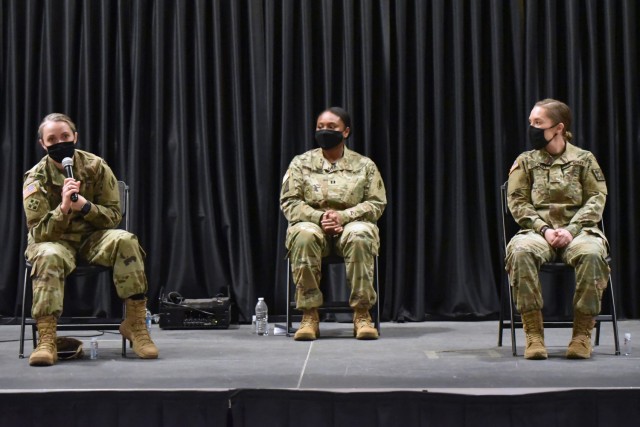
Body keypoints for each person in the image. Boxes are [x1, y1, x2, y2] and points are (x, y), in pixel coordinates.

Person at [22, 113, 159, 366]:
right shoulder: (36, 178)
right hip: (55, 242)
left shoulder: (95, 166)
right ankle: (47, 337)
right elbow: (39, 233)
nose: (60, 142)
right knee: (48, 254)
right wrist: (63, 209)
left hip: (92, 239)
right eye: (52, 139)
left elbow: (113, 216)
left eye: (65, 136)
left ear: (75, 137)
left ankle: (135, 324)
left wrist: (85, 207)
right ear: (43, 144)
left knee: (126, 239)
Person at [505, 99, 609, 360]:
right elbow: (517, 202)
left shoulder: (584, 159)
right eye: (531, 122)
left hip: (579, 232)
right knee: (519, 252)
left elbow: (597, 199)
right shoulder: (526, 161)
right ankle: (533, 334)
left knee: (594, 254)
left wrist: (572, 229)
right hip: (538, 233)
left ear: (558, 128)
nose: (532, 127)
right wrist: (544, 229)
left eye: (538, 123)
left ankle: (582, 334)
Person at [280, 107, 387, 341]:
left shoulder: (364, 165)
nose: (324, 131)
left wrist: (343, 217)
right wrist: (321, 218)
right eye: (320, 127)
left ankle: (362, 314)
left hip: (351, 227)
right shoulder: (300, 163)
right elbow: (289, 202)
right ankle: (309, 315)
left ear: (345, 132)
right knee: (303, 235)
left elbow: (377, 203)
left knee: (360, 233)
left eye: (332, 127)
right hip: (313, 226)